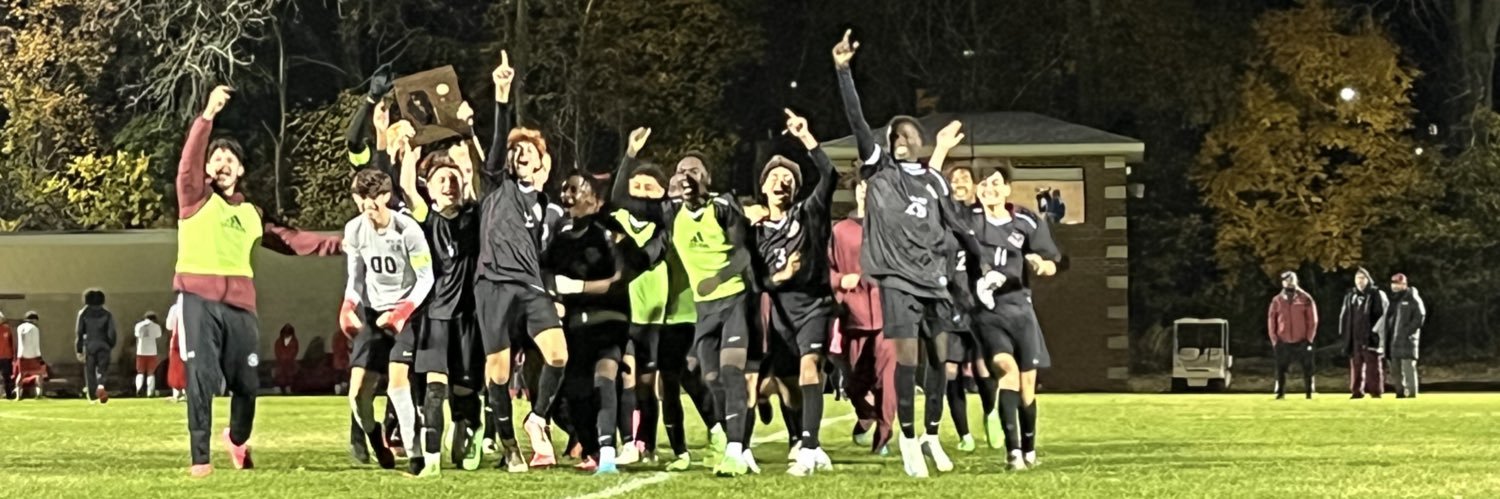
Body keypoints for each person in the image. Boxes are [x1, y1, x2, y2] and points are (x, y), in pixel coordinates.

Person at [833, 30, 987, 478]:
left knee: (941, 359)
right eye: (895, 134)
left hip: (935, 279)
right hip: (897, 279)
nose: (902, 138)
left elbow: (958, 227)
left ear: (919, 142)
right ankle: (906, 438)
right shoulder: (880, 169)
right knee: (907, 359)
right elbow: (859, 122)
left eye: (909, 134)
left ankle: (931, 435)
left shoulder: (934, 180)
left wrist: (978, 273)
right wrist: (844, 73)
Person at [175, 85, 342, 477]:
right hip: (197, 298)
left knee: (247, 383)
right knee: (201, 379)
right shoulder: (194, 197)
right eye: (216, 157)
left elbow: (293, 241)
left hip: (241, 307)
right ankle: (200, 457)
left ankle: (236, 438)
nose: (222, 161)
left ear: (241, 170)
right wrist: (208, 116)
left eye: (230, 157)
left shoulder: (251, 213)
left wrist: (342, 243)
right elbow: (187, 166)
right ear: (207, 167)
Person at [474, 51, 572, 470]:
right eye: (517, 152)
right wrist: (501, 95)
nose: (521, 155)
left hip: (530, 286)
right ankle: (508, 443)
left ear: (543, 161)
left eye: (528, 150)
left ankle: (537, 419)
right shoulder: (497, 186)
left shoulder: (545, 206)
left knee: (558, 355)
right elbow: (496, 151)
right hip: (493, 284)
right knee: (496, 370)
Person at [750, 109, 838, 477]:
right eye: (775, 177)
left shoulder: (808, 213)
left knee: (809, 368)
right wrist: (780, 276)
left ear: (796, 187)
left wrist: (806, 138)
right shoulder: (753, 229)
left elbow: (831, 175)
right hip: (778, 314)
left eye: (788, 177)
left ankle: (810, 447)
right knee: (788, 385)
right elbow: (755, 280)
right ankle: (799, 438)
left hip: (813, 306)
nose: (781, 182)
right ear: (764, 186)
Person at [395, 138, 487, 473]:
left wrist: (468, 161)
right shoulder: (425, 219)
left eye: (454, 179)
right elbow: (406, 186)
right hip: (435, 317)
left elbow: (479, 182)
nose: (449, 185)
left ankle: (471, 427)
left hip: (469, 318)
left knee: (464, 391)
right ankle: (432, 462)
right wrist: (410, 151)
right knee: (434, 389)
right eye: (440, 180)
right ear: (429, 188)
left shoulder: (474, 216)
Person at [965, 164, 1063, 471]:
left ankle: (1029, 448)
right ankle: (1013, 453)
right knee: (1005, 369)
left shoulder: (1026, 220)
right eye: (983, 184)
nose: (989, 188)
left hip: (1021, 310)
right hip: (988, 312)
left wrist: (1042, 265)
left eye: (995, 183)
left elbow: (1052, 262)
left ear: (1007, 188)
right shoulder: (968, 220)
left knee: (1027, 386)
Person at [339, 167, 435, 475]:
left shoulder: (408, 230)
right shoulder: (354, 230)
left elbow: (425, 277)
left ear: (386, 197)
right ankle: (374, 436)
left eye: (373, 199)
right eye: (361, 199)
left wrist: (403, 311)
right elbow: (355, 278)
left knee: (396, 384)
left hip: (405, 315)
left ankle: (415, 453)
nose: (368, 206)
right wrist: (348, 306)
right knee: (357, 396)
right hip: (373, 313)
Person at [829, 180, 897, 455]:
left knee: (887, 380)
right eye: (862, 186)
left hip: (888, 314)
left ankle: (883, 434)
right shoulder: (840, 230)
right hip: (853, 317)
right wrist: (839, 281)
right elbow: (827, 269)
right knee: (856, 382)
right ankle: (866, 413)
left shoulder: (893, 228)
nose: (866, 191)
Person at [1267, 271, 1318, 400]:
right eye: (1286, 280)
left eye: (1291, 279)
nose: (1289, 282)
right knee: (1281, 369)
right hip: (1283, 340)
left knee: (1307, 367)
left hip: (1302, 340)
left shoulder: (1306, 298)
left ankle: (1309, 392)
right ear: (1282, 282)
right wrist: (1275, 340)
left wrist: (1309, 339)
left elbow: (1313, 320)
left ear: (1296, 280)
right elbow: (1271, 320)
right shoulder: (1277, 300)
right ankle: (1281, 393)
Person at [1338, 268, 1387, 399]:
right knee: (1356, 365)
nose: (1360, 281)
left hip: (1371, 336)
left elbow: (1383, 316)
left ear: (1368, 279)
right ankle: (1356, 391)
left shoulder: (1376, 294)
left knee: (1373, 366)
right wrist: (1344, 334)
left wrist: (1376, 333)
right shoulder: (1350, 296)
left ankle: (1376, 392)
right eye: (1357, 278)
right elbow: (1344, 316)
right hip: (1354, 337)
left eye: (1362, 278)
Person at [1382, 274, 1426, 399]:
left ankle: (1412, 395)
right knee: (1395, 371)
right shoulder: (1392, 300)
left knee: (1408, 369)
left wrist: (1407, 332)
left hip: (1407, 341)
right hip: (1392, 340)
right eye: (1393, 282)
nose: (1395, 285)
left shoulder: (1412, 298)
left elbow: (1420, 317)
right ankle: (1400, 394)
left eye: (1398, 283)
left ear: (1405, 284)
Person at [76, 289, 118, 404]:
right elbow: (111, 331)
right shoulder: (106, 314)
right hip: (104, 344)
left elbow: (79, 332)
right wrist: (111, 343)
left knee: (89, 371)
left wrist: (79, 348)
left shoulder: (83, 313)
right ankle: (101, 385)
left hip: (89, 345)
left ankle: (92, 395)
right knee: (102, 369)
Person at [14, 312, 47, 400]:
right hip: (33, 355)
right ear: (34, 320)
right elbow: (35, 344)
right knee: (39, 373)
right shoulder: (34, 328)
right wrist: (39, 358)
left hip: (21, 355)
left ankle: (18, 395)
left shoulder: (19, 327)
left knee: (21, 374)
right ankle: (39, 394)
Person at [134, 311, 163, 398]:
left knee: (140, 372)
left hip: (140, 351)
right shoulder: (156, 326)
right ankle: (150, 392)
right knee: (151, 373)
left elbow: (136, 335)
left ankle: (138, 388)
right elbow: (159, 335)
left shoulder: (138, 325)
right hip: (152, 352)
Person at [166, 304, 186, 402]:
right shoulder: (196, 305)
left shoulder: (175, 308)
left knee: (175, 367)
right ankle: (188, 392)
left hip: (177, 341)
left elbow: (169, 325)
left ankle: (176, 393)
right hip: (191, 340)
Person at [273, 324, 299, 395]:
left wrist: (286, 359)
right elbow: (278, 353)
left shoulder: (294, 342)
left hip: (289, 367)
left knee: (289, 384)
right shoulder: (279, 342)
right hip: (281, 367)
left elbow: (293, 353)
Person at [0, 310, 14, 399]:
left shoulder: (6, 329)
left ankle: (8, 394)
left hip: (6, 356)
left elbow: (11, 342)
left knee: (6, 376)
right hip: (4, 356)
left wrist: (12, 354)